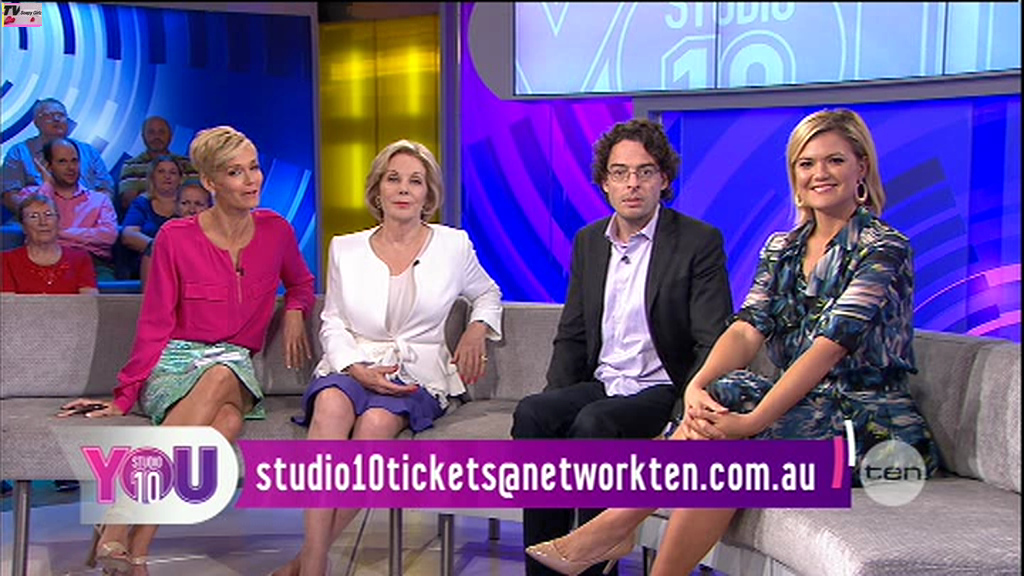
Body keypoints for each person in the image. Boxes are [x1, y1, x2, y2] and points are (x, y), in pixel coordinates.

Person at [524, 109, 941, 576]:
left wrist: (751, 422)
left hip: (870, 426)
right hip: (803, 410)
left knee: (725, 446)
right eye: (806, 163)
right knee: (721, 400)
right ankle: (623, 535)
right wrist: (696, 387)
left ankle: (614, 526)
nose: (819, 174)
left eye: (835, 161)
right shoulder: (783, 248)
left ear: (861, 167)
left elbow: (827, 348)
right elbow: (746, 329)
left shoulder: (882, 247)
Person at [57, 125, 315, 574]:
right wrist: (126, 394)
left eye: (254, 167)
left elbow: (302, 283)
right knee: (225, 423)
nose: (251, 180)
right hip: (176, 362)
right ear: (210, 182)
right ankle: (137, 551)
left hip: (234, 364)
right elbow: (155, 321)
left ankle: (118, 515)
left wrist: (294, 309)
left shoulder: (276, 230)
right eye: (235, 172)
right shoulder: (176, 238)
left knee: (220, 374)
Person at [511, 118, 734, 576]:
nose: (632, 183)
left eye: (645, 171)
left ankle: (595, 562)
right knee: (534, 414)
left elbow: (712, 340)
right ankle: (544, 568)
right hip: (605, 383)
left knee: (595, 423)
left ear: (663, 179)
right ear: (605, 182)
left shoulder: (698, 242)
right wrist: (557, 401)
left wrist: (682, 418)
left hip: (662, 390)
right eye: (620, 172)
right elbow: (573, 333)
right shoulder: (589, 242)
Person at [272, 139, 503, 576]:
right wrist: (355, 368)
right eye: (393, 179)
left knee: (377, 424)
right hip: (353, 364)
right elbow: (333, 321)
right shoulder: (345, 248)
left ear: (428, 194)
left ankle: (305, 561)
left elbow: (488, 293)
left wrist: (476, 329)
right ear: (377, 189)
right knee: (330, 405)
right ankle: (316, 565)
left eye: (415, 181)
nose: (403, 189)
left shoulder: (453, 246)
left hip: (416, 372)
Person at [13, 138, 119, 281]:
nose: (71, 167)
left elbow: (108, 236)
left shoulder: (100, 200)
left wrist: (57, 233)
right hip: (43, 259)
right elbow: (37, 230)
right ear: (48, 166)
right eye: (62, 161)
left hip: (93, 262)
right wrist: (47, 186)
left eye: (74, 161)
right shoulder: (31, 195)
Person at [2, 98, 115, 216]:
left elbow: (105, 189)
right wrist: (37, 217)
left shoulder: (89, 152)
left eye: (61, 115)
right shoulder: (19, 152)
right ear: (36, 122)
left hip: (86, 217)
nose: (56, 119)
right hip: (38, 220)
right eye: (49, 115)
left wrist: (91, 215)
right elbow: (9, 194)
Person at [2, 194, 97, 294]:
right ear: (23, 226)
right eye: (33, 216)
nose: (43, 222)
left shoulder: (80, 258)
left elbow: (89, 301)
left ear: (58, 222)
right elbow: (7, 302)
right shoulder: (6, 260)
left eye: (48, 215)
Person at [120, 156, 185, 279]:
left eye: (172, 172)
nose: (167, 176)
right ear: (152, 177)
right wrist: (159, 248)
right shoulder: (141, 203)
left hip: (183, 264)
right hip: (149, 264)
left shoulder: (189, 204)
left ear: (180, 179)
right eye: (161, 172)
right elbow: (128, 235)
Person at [116, 116, 199, 213]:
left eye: (161, 132)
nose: (156, 137)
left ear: (171, 136)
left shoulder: (188, 163)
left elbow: (198, 197)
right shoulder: (131, 165)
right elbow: (129, 202)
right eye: (151, 132)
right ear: (143, 136)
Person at [138, 183, 212, 289]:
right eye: (185, 203)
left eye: (199, 204)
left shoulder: (219, 241)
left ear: (210, 208)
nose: (191, 210)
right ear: (176, 207)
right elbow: (150, 289)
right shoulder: (160, 242)